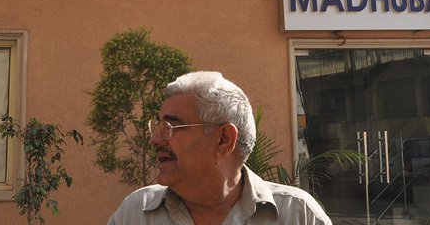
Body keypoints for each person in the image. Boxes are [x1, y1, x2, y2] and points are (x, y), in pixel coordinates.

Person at [106, 71, 332, 225]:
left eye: (170, 127)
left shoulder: (298, 214)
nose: (155, 139)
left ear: (224, 139)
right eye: (157, 126)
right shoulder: (135, 212)